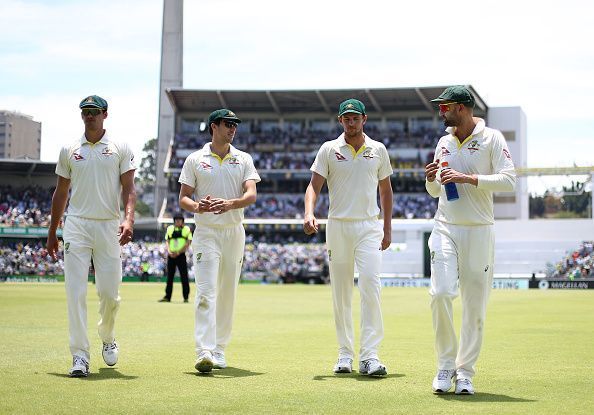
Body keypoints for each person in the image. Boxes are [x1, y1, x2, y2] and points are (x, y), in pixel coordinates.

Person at [425, 86, 516, 395]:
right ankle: (445, 365)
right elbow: (437, 192)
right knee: (441, 293)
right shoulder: (443, 142)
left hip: (479, 229)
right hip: (446, 227)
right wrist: (431, 179)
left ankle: (465, 373)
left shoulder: (492, 138)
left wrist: (468, 179)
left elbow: (508, 180)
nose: (441, 112)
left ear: (462, 108)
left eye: (445, 107)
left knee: (474, 306)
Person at [47, 95, 136, 377]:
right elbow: (61, 192)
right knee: (75, 292)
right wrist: (53, 231)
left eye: (94, 112)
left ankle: (107, 337)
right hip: (77, 225)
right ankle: (79, 356)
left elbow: (129, 189)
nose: (89, 116)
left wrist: (128, 219)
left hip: (109, 225)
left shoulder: (120, 147)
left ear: (105, 115)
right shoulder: (69, 149)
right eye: (85, 112)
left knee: (110, 294)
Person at [304, 98, 393, 377]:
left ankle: (369, 356)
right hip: (339, 226)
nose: (351, 122)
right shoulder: (329, 149)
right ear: (340, 120)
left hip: (369, 226)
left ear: (364, 119)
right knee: (341, 291)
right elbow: (313, 186)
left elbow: (386, 191)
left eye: (356, 118)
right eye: (347, 118)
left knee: (370, 286)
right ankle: (345, 354)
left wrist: (387, 229)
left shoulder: (378, 149)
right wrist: (309, 212)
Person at [178, 109, 260, 373]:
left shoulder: (243, 158)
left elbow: (251, 195)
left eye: (235, 124)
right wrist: (198, 207)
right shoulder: (194, 159)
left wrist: (229, 204)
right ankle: (203, 350)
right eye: (227, 124)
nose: (232, 129)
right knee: (205, 292)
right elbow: (184, 198)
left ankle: (220, 349)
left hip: (234, 231)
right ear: (214, 126)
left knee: (228, 292)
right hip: (206, 232)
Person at [159, 212, 192, 302]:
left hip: (181, 255)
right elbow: (167, 240)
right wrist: (169, 251)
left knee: (184, 276)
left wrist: (178, 252)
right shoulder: (170, 229)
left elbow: (188, 243)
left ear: (182, 221)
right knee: (169, 277)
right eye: (176, 220)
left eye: (179, 220)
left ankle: (186, 297)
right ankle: (167, 296)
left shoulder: (186, 229)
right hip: (171, 255)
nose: (177, 221)